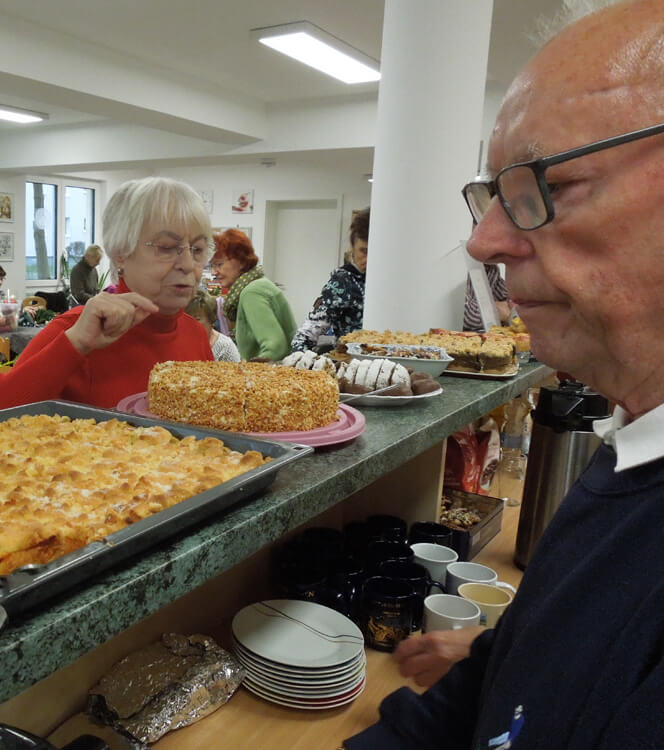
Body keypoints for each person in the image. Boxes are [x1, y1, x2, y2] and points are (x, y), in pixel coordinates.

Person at [345, 2, 664, 748]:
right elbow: (502, 684)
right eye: (493, 195)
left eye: (544, 185)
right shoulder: (627, 459)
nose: (483, 240)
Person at [0, 176, 213, 415]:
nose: (188, 265)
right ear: (121, 254)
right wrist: (74, 345)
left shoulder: (196, 335)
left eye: (198, 250)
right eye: (167, 248)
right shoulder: (75, 332)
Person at [290, 208, 369, 352]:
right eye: (364, 251)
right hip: (352, 360)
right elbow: (305, 336)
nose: (368, 259)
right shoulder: (344, 281)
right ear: (352, 248)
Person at [211, 228, 295, 362]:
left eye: (219, 264)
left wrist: (248, 370)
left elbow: (275, 347)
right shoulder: (258, 285)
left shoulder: (252, 291)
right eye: (213, 266)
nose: (214, 272)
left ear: (241, 262)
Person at [186, 290, 240, 362]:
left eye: (197, 319)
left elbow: (237, 368)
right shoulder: (178, 342)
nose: (190, 322)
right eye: (186, 318)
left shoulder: (225, 346)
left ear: (211, 319)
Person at [463, 263, 511, 332]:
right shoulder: (459, 269)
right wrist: (495, 311)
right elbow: (464, 315)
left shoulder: (491, 267)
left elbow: (504, 296)